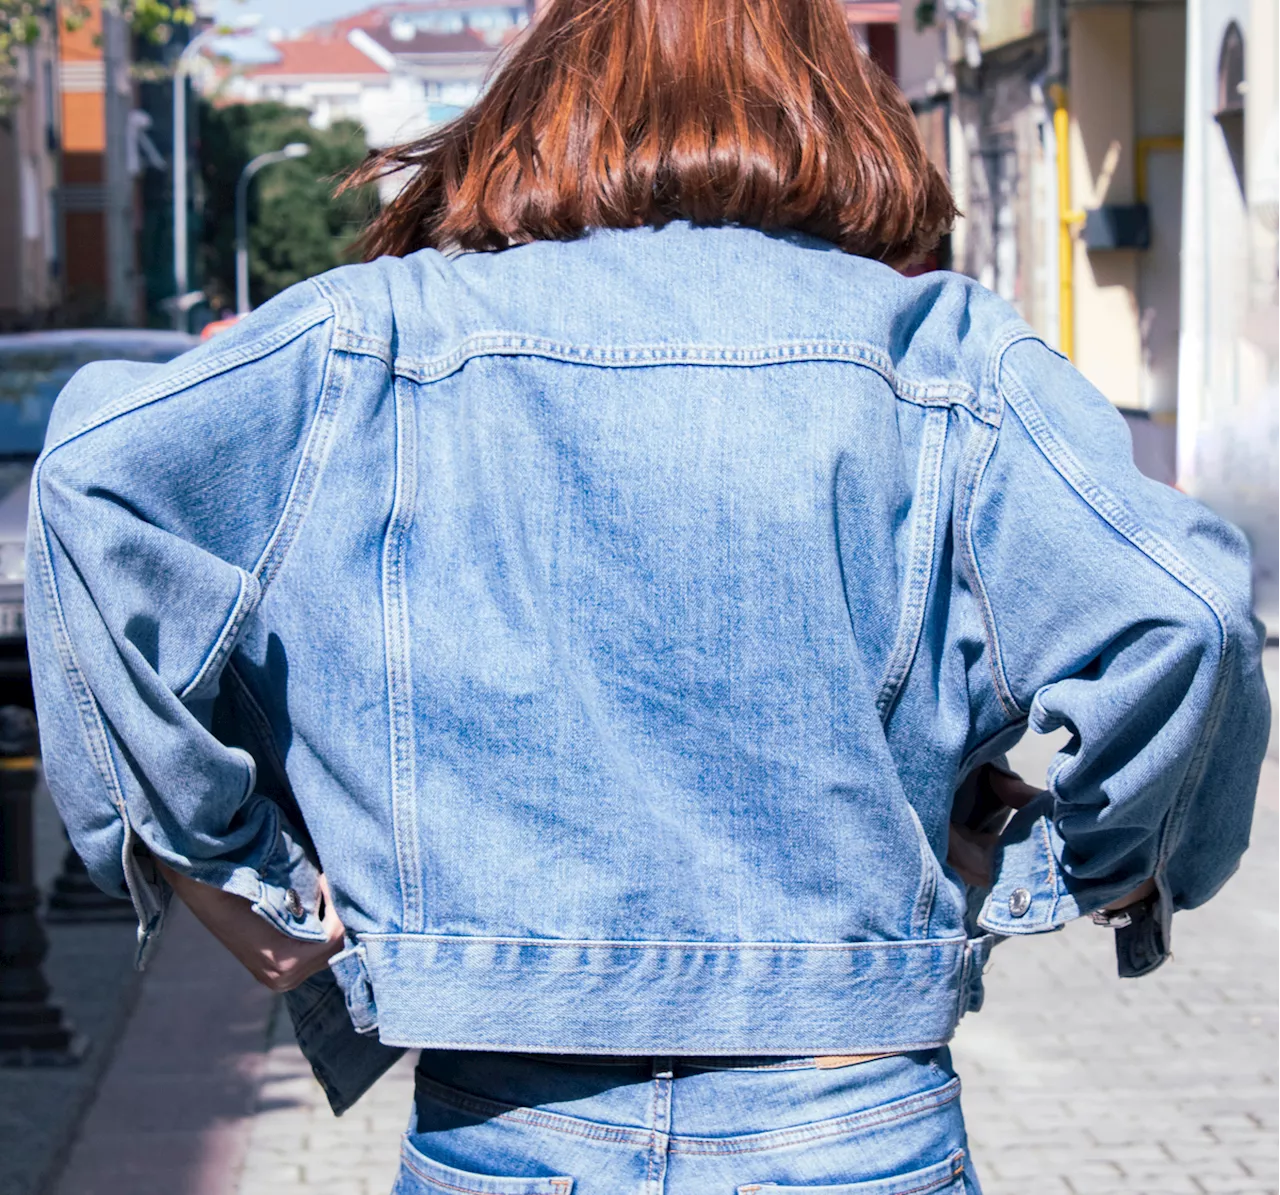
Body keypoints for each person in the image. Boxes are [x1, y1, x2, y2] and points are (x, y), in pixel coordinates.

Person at [26, 1, 1269, 1191]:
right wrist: (1092, 866)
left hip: (507, 1113)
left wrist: (233, 876)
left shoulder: (376, 341)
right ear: (826, 90)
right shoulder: (939, 356)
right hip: (846, 1111)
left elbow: (93, 481)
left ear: (544, 95)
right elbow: (1190, 619)